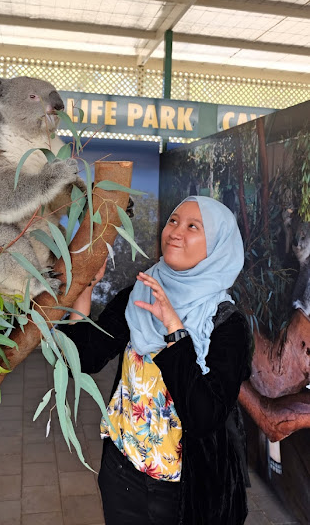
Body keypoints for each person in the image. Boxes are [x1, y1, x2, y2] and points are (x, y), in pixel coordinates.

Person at [61, 195, 252, 525]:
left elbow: (204, 416)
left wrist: (175, 331)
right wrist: (85, 289)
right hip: (121, 470)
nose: (176, 231)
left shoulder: (227, 324)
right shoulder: (140, 293)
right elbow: (85, 357)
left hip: (183, 490)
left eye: (193, 226)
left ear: (218, 246)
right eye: (174, 221)